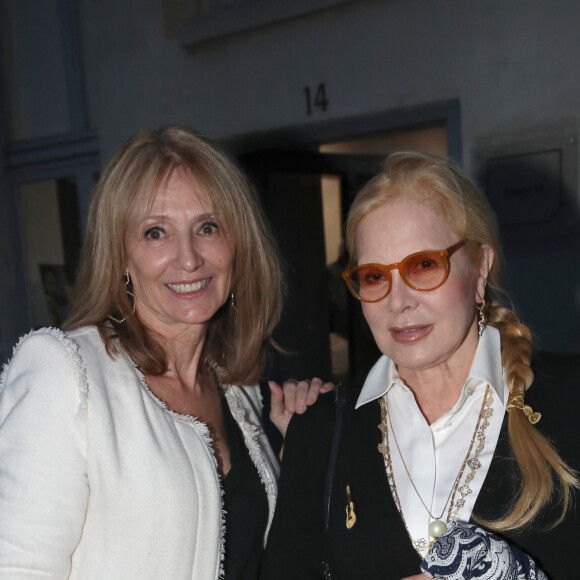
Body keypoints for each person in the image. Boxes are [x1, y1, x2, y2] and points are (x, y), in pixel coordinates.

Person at [0, 127, 331, 579]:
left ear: (238, 245)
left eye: (208, 227)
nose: (189, 258)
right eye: (156, 232)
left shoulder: (238, 392)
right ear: (119, 256)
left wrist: (301, 454)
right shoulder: (65, 374)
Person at [261, 152, 580, 579]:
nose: (399, 301)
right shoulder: (319, 431)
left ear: (480, 268)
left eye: (424, 265)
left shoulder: (571, 401)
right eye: (375, 276)